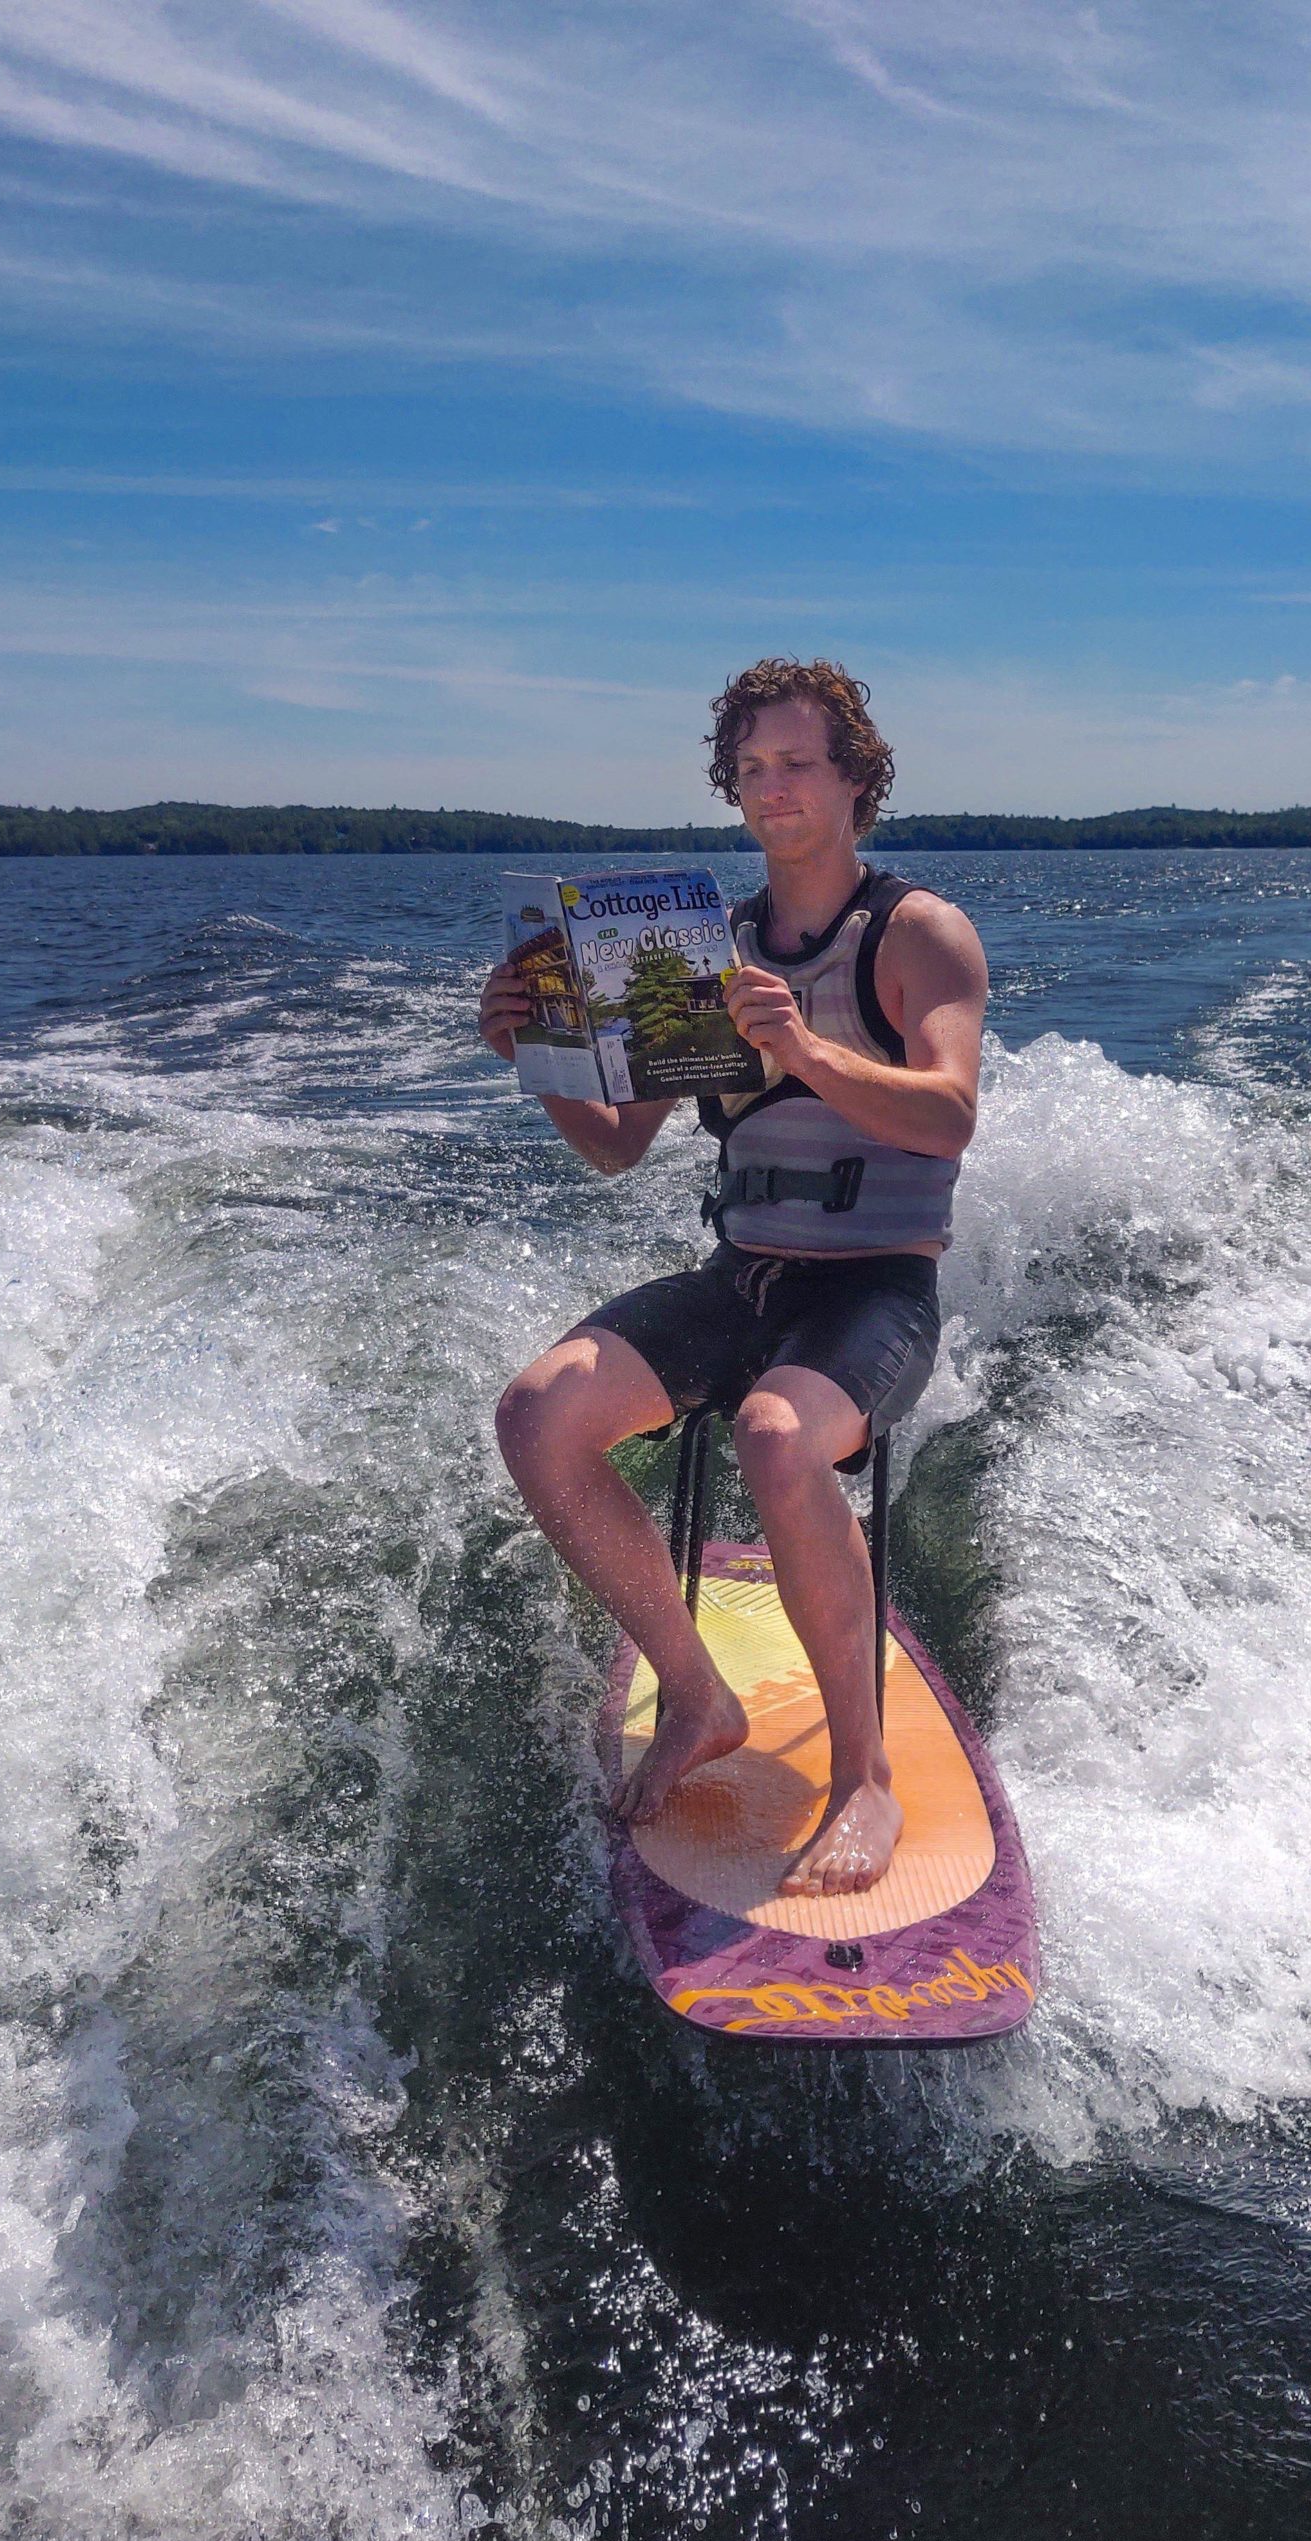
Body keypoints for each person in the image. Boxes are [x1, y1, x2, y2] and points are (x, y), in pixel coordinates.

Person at [481, 659, 987, 1897]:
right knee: (539, 1415)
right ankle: (697, 1694)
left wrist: (803, 1047)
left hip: (874, 1292)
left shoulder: (915, 933)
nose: (772, 787)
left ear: (857, 778)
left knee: (772, 1434)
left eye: (798, 761)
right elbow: (616, 1149)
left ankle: (862, 1773)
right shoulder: (698, 954)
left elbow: (950, 1115)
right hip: (745, 1275)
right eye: (751, 767)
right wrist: (535, 1050)